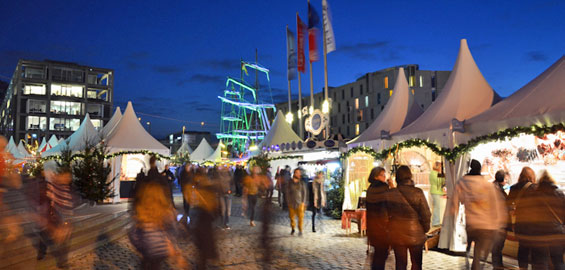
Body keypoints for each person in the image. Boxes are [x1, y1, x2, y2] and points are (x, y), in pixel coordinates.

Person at [452, 159, 507, 270]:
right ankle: (475, 265)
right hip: (486, 225)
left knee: (475, 252)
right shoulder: (486, 184)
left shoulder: (463, 181)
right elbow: (496, 205)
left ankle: (471, 261)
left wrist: (455, 212)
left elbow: (457, 201)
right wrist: (499, 223)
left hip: (471, 224)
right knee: (479, 255)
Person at [130, 181, 186, 270]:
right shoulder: (165, 211)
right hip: (161, 250)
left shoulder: (142, 211)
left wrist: (140, 247)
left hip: (147, 249)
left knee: (147, 265)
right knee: (155, 265)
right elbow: (173, 230)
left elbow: (133, 233)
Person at [387, 165, 431, 270]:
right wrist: (425, 229)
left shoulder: (391, 194)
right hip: (416, 232)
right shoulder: (418, 192)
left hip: (398, 234)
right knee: (416, 264)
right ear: (410, 176)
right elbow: (426, 213)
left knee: (400, 264)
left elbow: (386, 214)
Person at [183, 167, 219, 269]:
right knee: (204, 243)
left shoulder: (192, 185)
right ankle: (202, 264)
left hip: (196, 216)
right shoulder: (207, 184)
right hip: (204, 217)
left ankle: (201, 264)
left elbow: (188, 199)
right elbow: (214, 204)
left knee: (200, 244)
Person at [533, 170, 565, 270]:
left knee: (541, 261)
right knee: (558, 260)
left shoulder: (535, 194)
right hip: (557, 232)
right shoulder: (560, 193)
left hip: (539, 232)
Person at [507, 167, 537, 269]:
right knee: (534, 251)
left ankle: (522, 268)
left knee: (522, 248)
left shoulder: (514, 187)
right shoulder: (536, 188)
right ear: (532, 176)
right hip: (535, 224)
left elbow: (508, 205)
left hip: (520, 223)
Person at [366, 167, 391, 270]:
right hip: (382, 225)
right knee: (382, 253)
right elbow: (389, 204)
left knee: (378, 253)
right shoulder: (383, 187)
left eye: (385, 175)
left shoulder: (370, 188)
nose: (384, 177)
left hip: (372, 225)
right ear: (375, 176)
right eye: (382, 175)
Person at [491, 170, 510, 270]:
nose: (507, 181)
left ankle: (498, 266)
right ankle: (497, 267)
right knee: (497, 247)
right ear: (502, 179)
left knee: (497, 247)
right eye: (506, 179)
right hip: (497, 222)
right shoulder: (495, 190)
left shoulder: (495, 188)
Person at [286, 168, 307, 236]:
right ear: (294, 173)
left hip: (300, 202)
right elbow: (287, 193)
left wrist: (303, 202)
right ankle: (293, 228)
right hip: (291, 203)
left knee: (301, 218)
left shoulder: (301, 183)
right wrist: (288, 201)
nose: (298, 174)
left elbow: (304, 192)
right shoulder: (290, 182)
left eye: (299, 173)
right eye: (297, 173)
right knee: (292, 217)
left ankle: (300, 230)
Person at [429, 161, 445, 227]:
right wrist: (444, 178)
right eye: (441, 166)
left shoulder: (434, 173)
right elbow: (439, 181)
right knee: (436, 207)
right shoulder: (434, 173)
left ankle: (437, 221)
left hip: (437, 191)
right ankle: (435, 222)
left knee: (437, 207)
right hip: (436, 191)